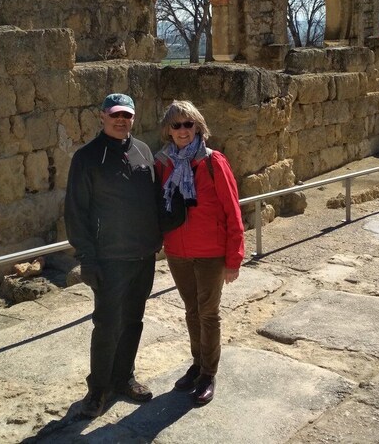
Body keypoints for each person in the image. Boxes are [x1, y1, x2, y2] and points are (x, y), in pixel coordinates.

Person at [64, 93, 162, 418]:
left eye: (127, 116)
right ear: (102, 116)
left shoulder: (143, 151)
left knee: (133, 321)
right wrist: (87, 258)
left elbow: (154, 201)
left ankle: (124, 378)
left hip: (143, 256)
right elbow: (76, 212)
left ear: (134, 118)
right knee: (107, 325)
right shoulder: (87, 158)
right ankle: (98, 389)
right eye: (115, 115)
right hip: (109, 260)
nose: (121, 121)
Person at [154, 100, 244, 406]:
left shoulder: (212, 162)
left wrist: (234, 259)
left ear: (198, 126)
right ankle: (197, 364)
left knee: (208, 313)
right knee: (191, 312)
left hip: (209, 253)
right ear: (168, 130)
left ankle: (208, 374)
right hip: (178, 251)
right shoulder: (163, 163)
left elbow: (233, 211)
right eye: (176, 125)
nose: (182, 130)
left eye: (188, 124)